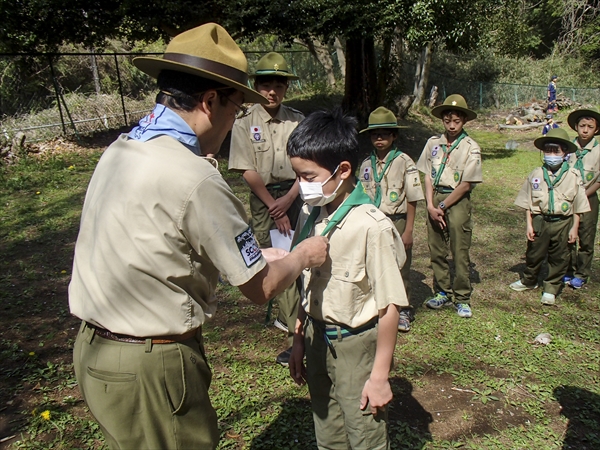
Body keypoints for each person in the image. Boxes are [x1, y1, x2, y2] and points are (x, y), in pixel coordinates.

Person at [68, 23, 328, 450]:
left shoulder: (122, 149)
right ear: (210, 101)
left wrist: (251, 253)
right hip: (152, 366)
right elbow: (260, 287)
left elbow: (157, 243)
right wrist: (301, 255)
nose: (234, 121)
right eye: (236, 108)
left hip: (97, 352)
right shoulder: (194, 177)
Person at [287, 108, 408, 449]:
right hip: (315, 336)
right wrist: (299, 337)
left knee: (364, 434)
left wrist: (380, 376)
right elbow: (306, 284)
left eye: (308, 177)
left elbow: (390, 307)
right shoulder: (310, 213)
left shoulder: (371, 226)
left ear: (342, 170)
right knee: (328, 433)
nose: (301, 187)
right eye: (297, 177)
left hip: (356, 345)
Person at [228, 52, 304, 366]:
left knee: (305, 260)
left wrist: (289, 199)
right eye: (266, 84)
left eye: (279, 85)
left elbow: (307, 165)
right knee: (280, 264)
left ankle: (309, 326)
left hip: (298, 196)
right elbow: (247, 169)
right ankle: (294, 338)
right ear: (256, 86)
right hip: (264, 202)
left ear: (286, 88)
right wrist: (275, 206)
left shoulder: (297, 120)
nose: (272, 91)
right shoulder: (244, 121)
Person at [417, 94, 482, 318]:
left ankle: (462, 297)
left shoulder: (471, 147)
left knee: (459, 249)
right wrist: (430, 204)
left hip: (456, 201)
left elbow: (466, 185)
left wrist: (442, 206)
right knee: (436, 248)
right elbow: (426, 175)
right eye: (447, 121)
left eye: (456, 121)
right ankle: (442, 291)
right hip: (435, 199)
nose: (452, 125)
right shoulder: (433, 143)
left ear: (464, 120)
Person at [359, 106, 423, 332]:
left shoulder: (405, 162)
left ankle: (403, 309)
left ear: (394, 136)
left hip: (397, 220)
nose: (379, 138)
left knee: (400, 265)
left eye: (385, 134)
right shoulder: (366, 164)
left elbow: (414, 197)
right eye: (375, 134)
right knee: (373, 264)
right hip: (373, 220)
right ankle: (378, 306)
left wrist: (409, 230)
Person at [510, 128, 589, 305]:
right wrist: (529, 225)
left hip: (563, 222)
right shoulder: (536, 174)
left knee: (560, 256)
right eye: (548, 151)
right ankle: (529, 281)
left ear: (565, 153)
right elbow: (528, 202)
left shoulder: (574, 176)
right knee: (533, 252)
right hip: (540, 220)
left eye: (556, 151)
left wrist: (574, 228)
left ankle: (551, 287)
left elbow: (578, 206)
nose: (551, 155)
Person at [564, 108, 600, 289]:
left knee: (586, 236)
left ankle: (581, 273)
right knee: (568, 235)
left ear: (596, 130)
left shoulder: (598, 151)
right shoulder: (567, 147)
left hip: (588, 197)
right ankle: (568, 270)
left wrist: (583, 196)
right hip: (567, 198)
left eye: (590, 127)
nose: (585, 130)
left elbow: (599, 180)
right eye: (582, 126)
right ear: (576, 127)